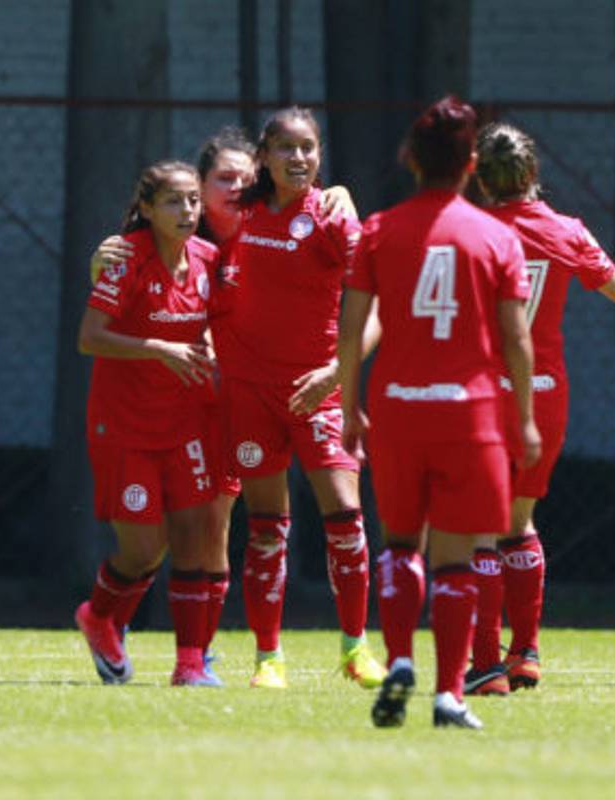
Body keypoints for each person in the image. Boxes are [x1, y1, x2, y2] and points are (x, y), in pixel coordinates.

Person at [86, 128, 358, 681]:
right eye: (222, 180)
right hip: (168, 407)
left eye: (243, 177)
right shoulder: (171, 242)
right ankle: (117, 621)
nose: (236, 187)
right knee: (160, 539)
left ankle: (197, 654)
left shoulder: (262, 231)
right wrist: (103, 258)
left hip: (233, 400)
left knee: (213, 529)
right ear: (201, 188)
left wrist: (344, 193)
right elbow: (104, 314)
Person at [463, 122, 615, 696]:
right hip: (544, 392)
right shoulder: (564, 230)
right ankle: (527, 652)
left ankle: (487, 663)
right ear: (534, 174)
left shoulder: (466, 230)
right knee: (519, 522)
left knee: (478, 533)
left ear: (478, 178)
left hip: (482, 392)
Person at [338, 95, 541, 729]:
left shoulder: (377, 230)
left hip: (398, 406)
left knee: (401, 544)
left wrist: (348, 405)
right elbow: (516, 339)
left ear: (410, 160)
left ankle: (399, 659)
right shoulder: (496, 237)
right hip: (470, 412)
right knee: (457, 557)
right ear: (472, 163)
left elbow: (350, 331)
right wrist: (527, 418)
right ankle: (450, 693)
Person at [208, 107, 385, 690]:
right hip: (251, 391)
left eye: (308, 147)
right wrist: (119, 241)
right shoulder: (242, 211)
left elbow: (378, 305)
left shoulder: (332, 217)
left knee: (344, 512)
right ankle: (268, 659)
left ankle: (356, 649)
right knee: (266, 526)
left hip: (317, 389)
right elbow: (175, 215)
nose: (299, 158)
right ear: (265, 156)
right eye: (286, 148)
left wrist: (337, 374)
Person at [73, 160, 221, 687]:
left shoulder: (209, 259)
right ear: (146, 209)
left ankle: (188, 665)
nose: (187, 212)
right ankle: (98, 617)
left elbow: (220, 326)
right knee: (142, 547)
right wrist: (157, 348)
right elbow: (89, 337)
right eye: (173, 202)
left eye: (193, 201)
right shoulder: (123, 259)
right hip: (126, 425)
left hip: (187, 422)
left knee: (191, 538)